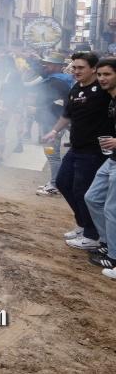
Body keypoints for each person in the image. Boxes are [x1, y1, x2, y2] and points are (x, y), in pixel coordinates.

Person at [43, 52, 111, 250]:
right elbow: (67, 115)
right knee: (63, 183)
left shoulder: (103, 90)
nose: (76, 71)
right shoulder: (74, 88)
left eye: (81, 68)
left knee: (83, 191)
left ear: (93, 69)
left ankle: (92, 235)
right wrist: (54, 131)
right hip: (76, 147)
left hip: (93, 151)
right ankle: (82, 225)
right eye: (74, 67)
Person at [84, 57, 116, 274]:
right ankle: (107, 243)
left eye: (108, 74)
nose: (102, 78)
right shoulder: (110, 98)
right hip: (112, 158)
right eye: (100, 74)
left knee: (112, 209)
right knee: (92, 197)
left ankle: (114, 259)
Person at [28, 52, 74, 196]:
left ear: (57, 66)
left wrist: (38, 108)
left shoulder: (57, 82)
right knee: (51, 153)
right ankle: (55, 182)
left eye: (49, 64)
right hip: (50, 122)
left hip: (53, 123)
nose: (45, 66)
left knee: (53, 155)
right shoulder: (55, 79)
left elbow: (57, 104)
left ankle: (55, 184)